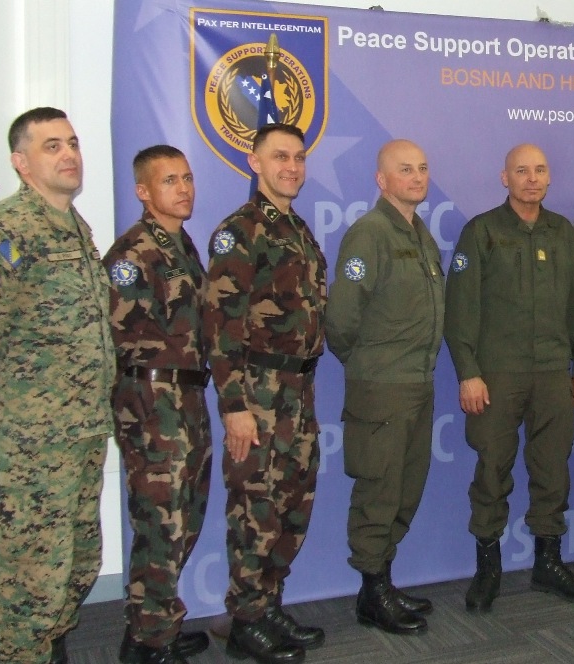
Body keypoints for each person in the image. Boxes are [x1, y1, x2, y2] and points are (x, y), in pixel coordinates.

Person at [0, 107, 114, 664]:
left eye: (73, 143)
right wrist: (3, 418)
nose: (69, 154)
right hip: (33, 441)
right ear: (21, 162)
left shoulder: (75, 227)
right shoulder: (5, 230)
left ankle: (46, 649)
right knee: (34, 576)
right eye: (52, 146)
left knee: (79, 562)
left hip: (82, 430)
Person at [444, 143, 574, 612]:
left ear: (549, 178)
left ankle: (548, 563)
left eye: (540, 170)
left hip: (552, 372)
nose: (532, 179)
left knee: (552, 470)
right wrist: (468, 373)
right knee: (492, 470)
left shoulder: (563, 232)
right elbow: (460, 309)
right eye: (522, 171)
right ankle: (488, 568)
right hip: (498, 374)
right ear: (504, 178)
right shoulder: (482, 231)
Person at [204, 123, 327, 664]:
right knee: (256, 505)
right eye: (280, 157)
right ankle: (245, 619)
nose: (292, 167)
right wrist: (235, 407)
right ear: (255, 163)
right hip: (258, 390)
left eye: (298, 158)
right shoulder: (241, 231)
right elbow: (220, 325)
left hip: (298, 389)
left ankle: (269, 602)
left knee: (292, 503)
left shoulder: (297, 229)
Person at [326, 139, 444, 634]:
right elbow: (341, 320)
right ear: (382, 179)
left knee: (405, 489)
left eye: (422, 168)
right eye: (405, 169)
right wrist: (367, 363)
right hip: (382, 387)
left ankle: (383, 582)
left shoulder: (421, 235)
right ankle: (372, 592)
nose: (417, 177)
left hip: (418, 383)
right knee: (379, 490)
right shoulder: (369, 233)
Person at [105, 145, 212, 664]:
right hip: (152, 402)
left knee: (184, 515)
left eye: (187, 178)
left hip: (187, 395)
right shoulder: (133, 253)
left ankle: (154, 624)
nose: (184, 188)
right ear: (143, 192)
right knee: (159, 520)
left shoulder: (182, 245)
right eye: (170, 180)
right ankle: (149, 643)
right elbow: (117, 338)